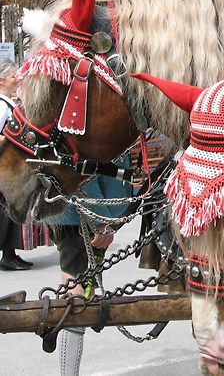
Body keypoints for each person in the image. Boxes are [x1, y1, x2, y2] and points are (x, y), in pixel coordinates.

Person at [44, 161, 132, 376]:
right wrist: (100, 221)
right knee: (76, 296)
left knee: (77, 291)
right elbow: (82, 172)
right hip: (80, 216)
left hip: (76, 213)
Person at [0, 58, 33, 270]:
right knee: (7, 211)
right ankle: (8, 254)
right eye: (13, 76)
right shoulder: (1, 106)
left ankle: (10, 252)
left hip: (10, 165)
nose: (17, 80)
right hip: (6, 166)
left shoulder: (8, 103)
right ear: (1, 80)